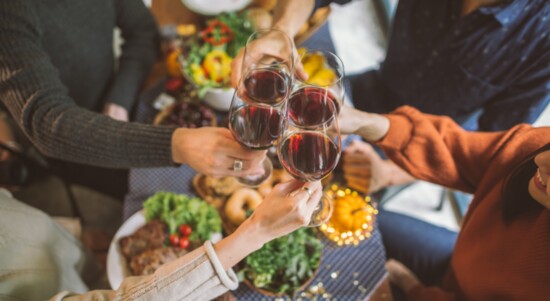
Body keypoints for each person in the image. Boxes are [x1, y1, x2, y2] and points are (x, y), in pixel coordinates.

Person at [231, 0, 550, 194]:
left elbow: (492, 149)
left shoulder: (543, 39)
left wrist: (391, 174)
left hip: (430, 143)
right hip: (376, 87)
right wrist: (283, 29)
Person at [0, 1, 265, 198]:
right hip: (71, 143)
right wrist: (177, 144)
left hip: (118, 97)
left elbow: (142, 30)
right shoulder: (9, 13)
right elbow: (47, 125)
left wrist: (119, 99)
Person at [337, 104, 550, 300]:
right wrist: (369, 123)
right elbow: (458, 149)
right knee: (361, 219)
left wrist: (412, 288)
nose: (539, 161)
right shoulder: (541, 151)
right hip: (457, 262)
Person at [0, 180, 323, 301]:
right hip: (36, 288)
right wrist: (256, 232)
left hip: (53, 248)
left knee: (81, 263)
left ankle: (86, 259)